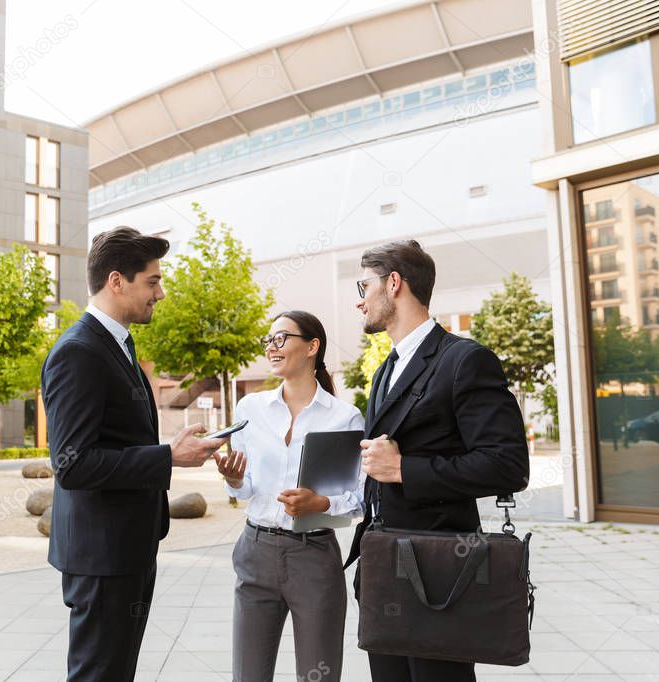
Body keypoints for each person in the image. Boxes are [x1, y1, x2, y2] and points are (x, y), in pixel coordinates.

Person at [42, 226, 227, 682]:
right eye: (153, 281)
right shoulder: (79, 352)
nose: (160, 293)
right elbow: (72, 464)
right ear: (116, 281)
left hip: (127, 548)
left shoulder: (117, 346)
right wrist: (168, 457)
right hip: (102, 556)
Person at [346, 240, 529, 682]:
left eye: (364, 285)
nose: (359, 299)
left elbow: (508, 465)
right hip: (383, 568)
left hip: (440, 574)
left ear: (394, 284)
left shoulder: (465, 360)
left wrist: (405, 469)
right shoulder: (386, 369)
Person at [215, 310, 364, 681]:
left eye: (281, 338)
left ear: (312, 346)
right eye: (268, 340)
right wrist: (234, 480)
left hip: (313, 556)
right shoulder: (252, 409)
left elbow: (361, 496)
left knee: (318, 674)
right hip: (255, 550)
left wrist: (322, 504)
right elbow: (246, 486)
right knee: (248, 675)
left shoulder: (344, 417)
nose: (272, 347)